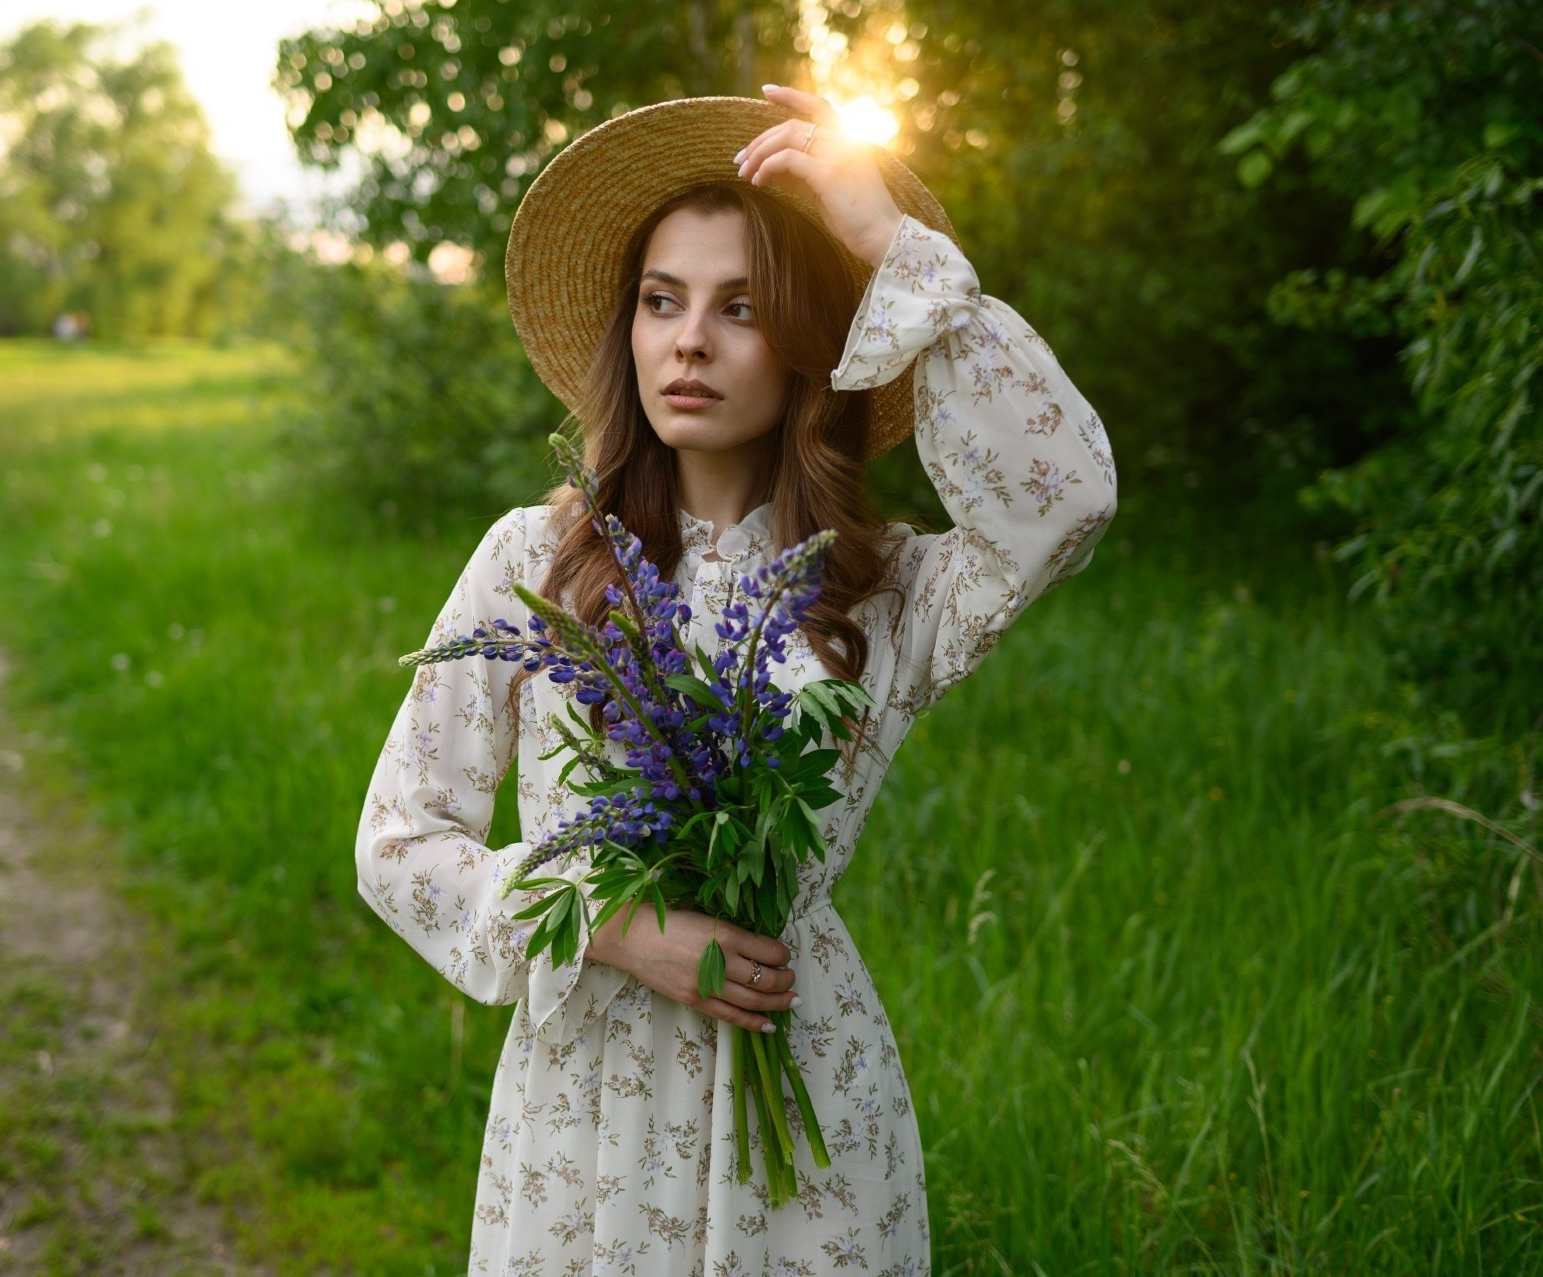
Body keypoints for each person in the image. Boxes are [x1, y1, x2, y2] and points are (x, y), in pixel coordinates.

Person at [356, 86, 1117, 1275]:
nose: (688, 339)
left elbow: (1064, 499)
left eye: (740, 307)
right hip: (587, 1113)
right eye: (661, 301)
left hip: (802, 1097)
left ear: (813, 344)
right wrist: (611, 920)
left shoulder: (881, 589)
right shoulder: (535, 561)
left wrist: (889, 245)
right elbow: (400, 838)